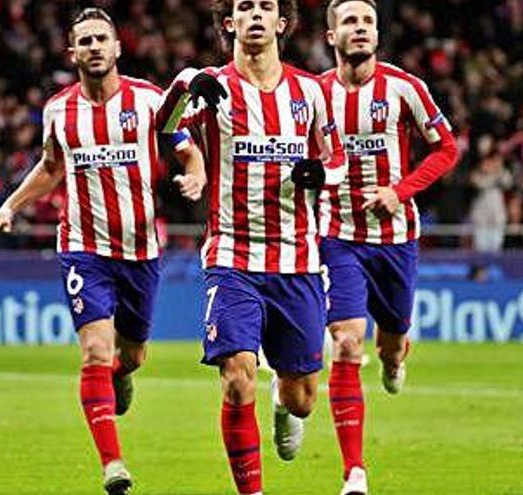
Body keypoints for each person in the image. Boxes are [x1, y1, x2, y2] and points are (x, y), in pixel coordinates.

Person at [0, 8, 204, 495]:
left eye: (101, 39)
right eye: (84, 41)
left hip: (142, 250)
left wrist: (196, 175)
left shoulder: (151, 101)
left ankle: (122, 374)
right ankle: (113, 464)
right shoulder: (58, 111)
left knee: (130, 355)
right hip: (84, 248)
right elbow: (50, 167)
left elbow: (186, 148)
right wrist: (11, 205)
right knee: (93, 353)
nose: (94, 47)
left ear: (117, 47)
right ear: (73, 53)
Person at [159, 1, 346, 492]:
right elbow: (165, 129)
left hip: (297, 260)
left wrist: (320, 173)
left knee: (304, 396)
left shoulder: (310, 91)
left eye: (267, 6)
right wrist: (183, 87)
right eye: (246, 7)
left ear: (282, 23)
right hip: (232, 258)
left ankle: (285, 403)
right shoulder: (213, 87)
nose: (257, 14)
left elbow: (339, 160)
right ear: (230, 23)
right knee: (238, 375)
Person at [317, 1, 459, 493]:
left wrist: (399, 192)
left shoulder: (405, 88)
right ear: (331, 34)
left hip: (396, 239)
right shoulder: (313, 94)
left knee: (391, 341)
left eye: (368, 22)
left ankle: (397, 358)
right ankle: (354, 472)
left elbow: (447, 148)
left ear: (377, 33)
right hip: (338, 236)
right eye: (350, 22)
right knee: (346, 340)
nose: (360, 30)